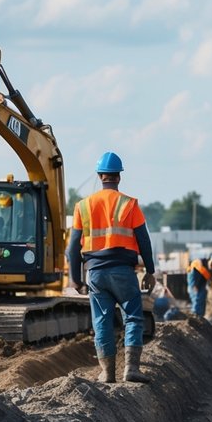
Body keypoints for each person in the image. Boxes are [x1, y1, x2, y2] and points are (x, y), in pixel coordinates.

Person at [66, 151, 156, 384]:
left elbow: (73, 247)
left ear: (100, 176)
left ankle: (107, 373)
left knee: (102, 322)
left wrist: (76, 279)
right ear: (119, 177)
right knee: (133, 317)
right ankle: (131, 369)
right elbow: (144, 240)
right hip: (123, 271)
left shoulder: (82, 206)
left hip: (96, 273)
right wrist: (150, 270)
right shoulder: (130, 204)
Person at [186, 252, 212, 318]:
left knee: (202, 297)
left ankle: (200, 317)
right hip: (194, 282)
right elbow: (194, 274)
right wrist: (194, 285)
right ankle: (195, 316)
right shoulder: (199, 263)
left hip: (202, 283)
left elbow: (211, 280)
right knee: (197, 299)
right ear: (209, 260)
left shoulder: (211, 269)